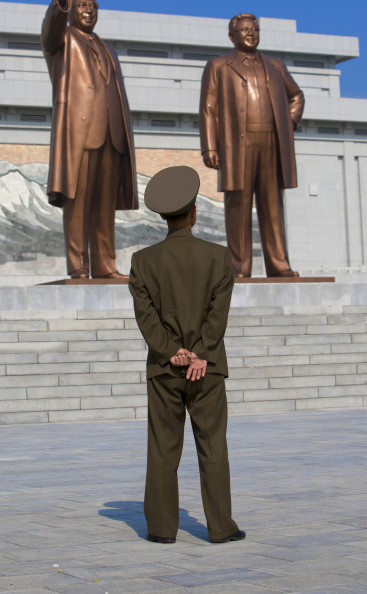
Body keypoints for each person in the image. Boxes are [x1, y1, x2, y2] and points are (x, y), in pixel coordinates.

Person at [128, 165, 245, 544]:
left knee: (163, 450)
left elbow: (145, 318)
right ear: (194, 212)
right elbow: (218, 313)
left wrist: (171, 352)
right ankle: (221, 528)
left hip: (164, 371)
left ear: (164, 217)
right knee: (213, 449)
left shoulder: (142, 262)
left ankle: (162, 529)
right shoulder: (217, 257)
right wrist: (200, 354)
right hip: (207, 372)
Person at [41, 0, 138, 279]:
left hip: (112, 134)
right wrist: (60, 0)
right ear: (72, 11)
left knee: (105, 206)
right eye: (82, 6)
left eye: (93, 7)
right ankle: (79, 265)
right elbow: (49, 31)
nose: (89, 11)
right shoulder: (63, 40)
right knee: (78, 202)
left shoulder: (108, 48)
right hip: (81, 133)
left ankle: (105, 265)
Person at [199, 13, 305, 278]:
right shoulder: (219, 66)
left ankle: (279, 264)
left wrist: (287, 123)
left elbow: (297, 96)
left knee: (272, 206)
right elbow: (208, 109)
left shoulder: (276, 66)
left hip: (271, 143)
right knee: (239, 207)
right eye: (245, 29)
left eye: (254, 29)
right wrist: (210, 147)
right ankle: (239, 267)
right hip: (237, 146)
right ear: (231, 36)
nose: (250, 33)